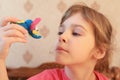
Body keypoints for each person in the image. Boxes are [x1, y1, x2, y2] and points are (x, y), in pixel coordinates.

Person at [0, 3, 113, 80]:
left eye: (76, 33)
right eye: (60, 32)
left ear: (99, 51)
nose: (62, 36)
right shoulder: (45, 78)